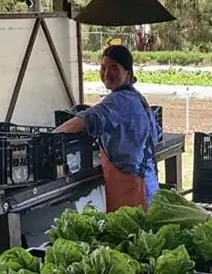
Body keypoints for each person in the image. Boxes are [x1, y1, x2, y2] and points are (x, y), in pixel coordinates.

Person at [54, 45, 160, 212]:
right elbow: (154, 133)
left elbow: (88, 119)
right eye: (103, 67)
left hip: (131, 189)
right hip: (148, 182)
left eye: (114, 68)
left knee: (132, 234)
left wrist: (51, 136)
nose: (106, 74)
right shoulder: (137, 97)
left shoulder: (118, 101)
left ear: (128, 73)